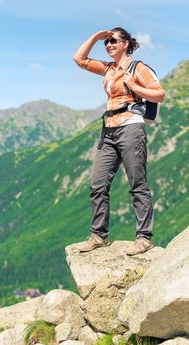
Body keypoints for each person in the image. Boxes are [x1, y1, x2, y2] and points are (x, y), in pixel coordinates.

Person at [73, 27, 165, 255]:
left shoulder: (138, 68)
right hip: (109, 130)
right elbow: (79, 59)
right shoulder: (108, 69)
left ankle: (144, 238)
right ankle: (99, 235)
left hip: (131, 128)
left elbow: (159, 94)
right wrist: (95, 36)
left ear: (126, 43)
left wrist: (134, 86)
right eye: (106, 42)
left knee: (138, 184)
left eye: (113, 41)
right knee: (97, 183)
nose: (109, 45)